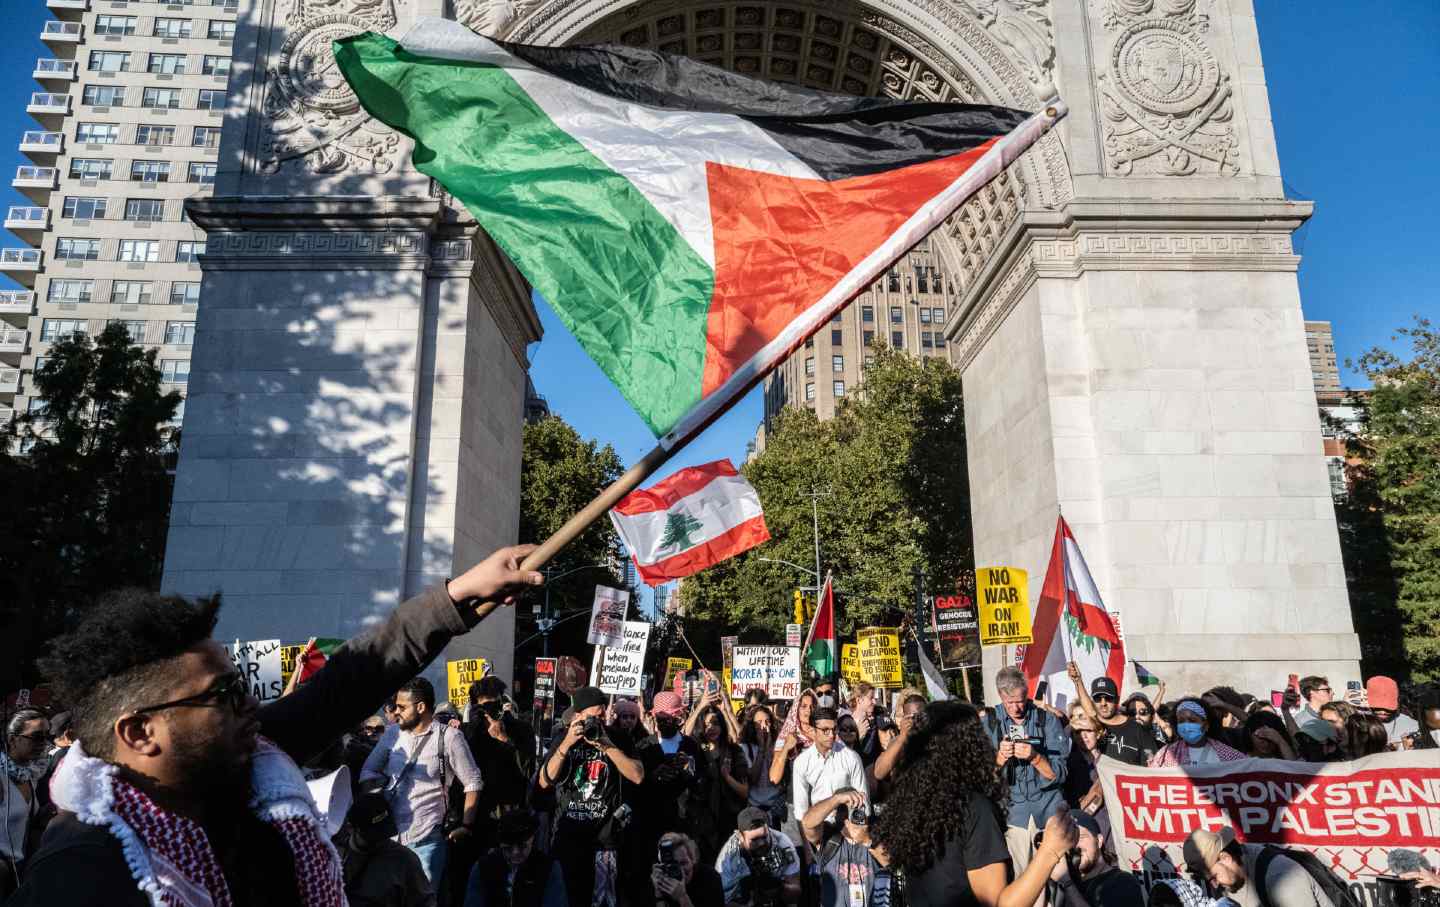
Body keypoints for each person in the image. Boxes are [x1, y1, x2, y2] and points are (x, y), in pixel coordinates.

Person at [11, 543, 543, 907]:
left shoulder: (246, 759)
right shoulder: (80, 870)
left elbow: (349, 680)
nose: (247, 704)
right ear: (139, 733)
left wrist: (457, 597)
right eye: (222, 694)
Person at [873, 700, 1080, 907]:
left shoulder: (916, 801)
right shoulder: (973, 807)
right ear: (970, 746)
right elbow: (998, 904)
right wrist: (1050, 850)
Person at [360, 675, 484, 886]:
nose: (395, 711)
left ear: (420, 707)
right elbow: (368, 770)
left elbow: (473, 782)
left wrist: (466, 825)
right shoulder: (391, 735)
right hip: (388, 839)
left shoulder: (449, 737)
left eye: (401, 707)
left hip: (427, 840)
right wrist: (378, 794)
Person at [537, 684, 644, 907]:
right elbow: (545, 781)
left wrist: (606, 746)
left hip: (604, 842)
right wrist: (567, 742)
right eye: (593, 716)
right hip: (568, 838)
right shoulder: (563, 737)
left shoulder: (617, 738)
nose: (600, 720)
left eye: (603, 714)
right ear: (578, 715)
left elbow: (637, 776)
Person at [983, 666, 1070, 878]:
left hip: (1049, 809)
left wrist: (1035, 757)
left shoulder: (1046, 720)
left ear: (1027, 693)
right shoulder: (989, 723)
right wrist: (999, 759)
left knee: (1060, 877)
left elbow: (1060, 774)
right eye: (1009, 703)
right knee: (1022, 879)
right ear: (1000, 696)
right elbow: (982, 780)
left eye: (1020, 701)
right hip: (1013, 814)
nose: (1016, 708)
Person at [1184, 826, 1340, 907]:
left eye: (1214, 877)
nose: (1214, 885)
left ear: (1225, 858)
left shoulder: (1282, 877)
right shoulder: (1229, 874)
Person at [337, 791, 436, 907]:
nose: (380, 842)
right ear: (351, 829)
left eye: (384, 835)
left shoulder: (404, 860)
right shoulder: (334, 857)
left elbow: (425, 902)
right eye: (373, 838)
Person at [801, 787, 892, 907]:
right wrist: (837, 799)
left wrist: (867, 840)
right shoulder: (829, 838)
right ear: (835, 812)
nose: (852, 812)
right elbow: (807, 823)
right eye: (844, 807)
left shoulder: (874, 836)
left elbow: (891, 863)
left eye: (857, 807)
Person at [687, 699, 750, 860]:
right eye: (706, 724)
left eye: (715, 723)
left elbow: (745, 792)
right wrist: (702, 705)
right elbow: (685, 734)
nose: (711, 728)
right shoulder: (696, 750)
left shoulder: (734, 752)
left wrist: (727, 777)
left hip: (728, 821)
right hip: (702, 823)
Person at [464, 809, 568, 907]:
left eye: (522, 846)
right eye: (508, 849)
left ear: (532, 839)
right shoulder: (483, 868)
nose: (515, 853)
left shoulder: (549, 868)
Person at [2, 709, 53, 897]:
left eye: (48, 736)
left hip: (20, 874)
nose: (44, 743)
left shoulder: (30, 776)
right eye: (36, 736)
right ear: (12, 739)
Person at [1049, 810, 1145, 907]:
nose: (1075, 845)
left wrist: (1067, 883)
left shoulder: (1123, 882)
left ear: (1099, 841)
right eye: (1070, 840)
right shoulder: (1065, 885)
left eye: (1081, 837)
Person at [789, 708, 868, 825]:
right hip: (817, 827)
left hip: (848, 826)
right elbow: (801, 814)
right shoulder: (802, 762)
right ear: (812, 731)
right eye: (825, 730)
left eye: (834, 729)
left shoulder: (851, 757)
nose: (831, 735)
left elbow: (864, 805)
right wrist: (810, 842)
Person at [1067, 663, 1156, 765]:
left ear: (1117, 699)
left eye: (1108, 698)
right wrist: (1078, 681)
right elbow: (1089, 709)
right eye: (1098, 699)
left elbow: (1152, 763)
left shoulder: (1137, 729)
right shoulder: (1093, 726)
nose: (1103, 703)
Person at [715, 807, 802, 906]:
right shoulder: (727, 859)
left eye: (764, 836)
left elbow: (795, 892)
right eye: (754, 839)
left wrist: (781, 888)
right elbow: (722, 901)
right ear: (740, 836)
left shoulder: (783, 843)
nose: (761, 843)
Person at [1149, 698, 1246, 767]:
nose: (1186, 725)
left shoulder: (1227, 754)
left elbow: (1247, 770)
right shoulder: (1166, 754)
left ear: (1206, 725)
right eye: (1181, 721)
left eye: (1192, 720)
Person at [651, 831, 725, 907]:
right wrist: (659, 896)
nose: (680, 870)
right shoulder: (660, 879)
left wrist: (682, 897)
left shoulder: (710, 878)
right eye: (673, 865)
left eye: (683, 863)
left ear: (693, 860)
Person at [739, 706, 785, 827]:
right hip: (754, 808)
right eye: (759, 722)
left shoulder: (779, 747)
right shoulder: (745, 748)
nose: (764, 726)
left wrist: (770, 746)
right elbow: (753, 778)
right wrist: (761, 749)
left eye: (767, 721)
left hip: (775, 809)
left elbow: (775, 778)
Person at [1061, 705, 1105, 819]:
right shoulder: (1068, 761)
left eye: (1088, 730)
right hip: (1076, 824)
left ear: (1099, 732)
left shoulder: (1110, 759)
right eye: (1078, 731)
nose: (1083, 736)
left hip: (1105, 825)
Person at [1365, 676, 1419, 746]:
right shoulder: (1357, 723)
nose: (1383, 712)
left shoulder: (1412, 725)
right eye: (1377, 708)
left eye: (1388, 708)